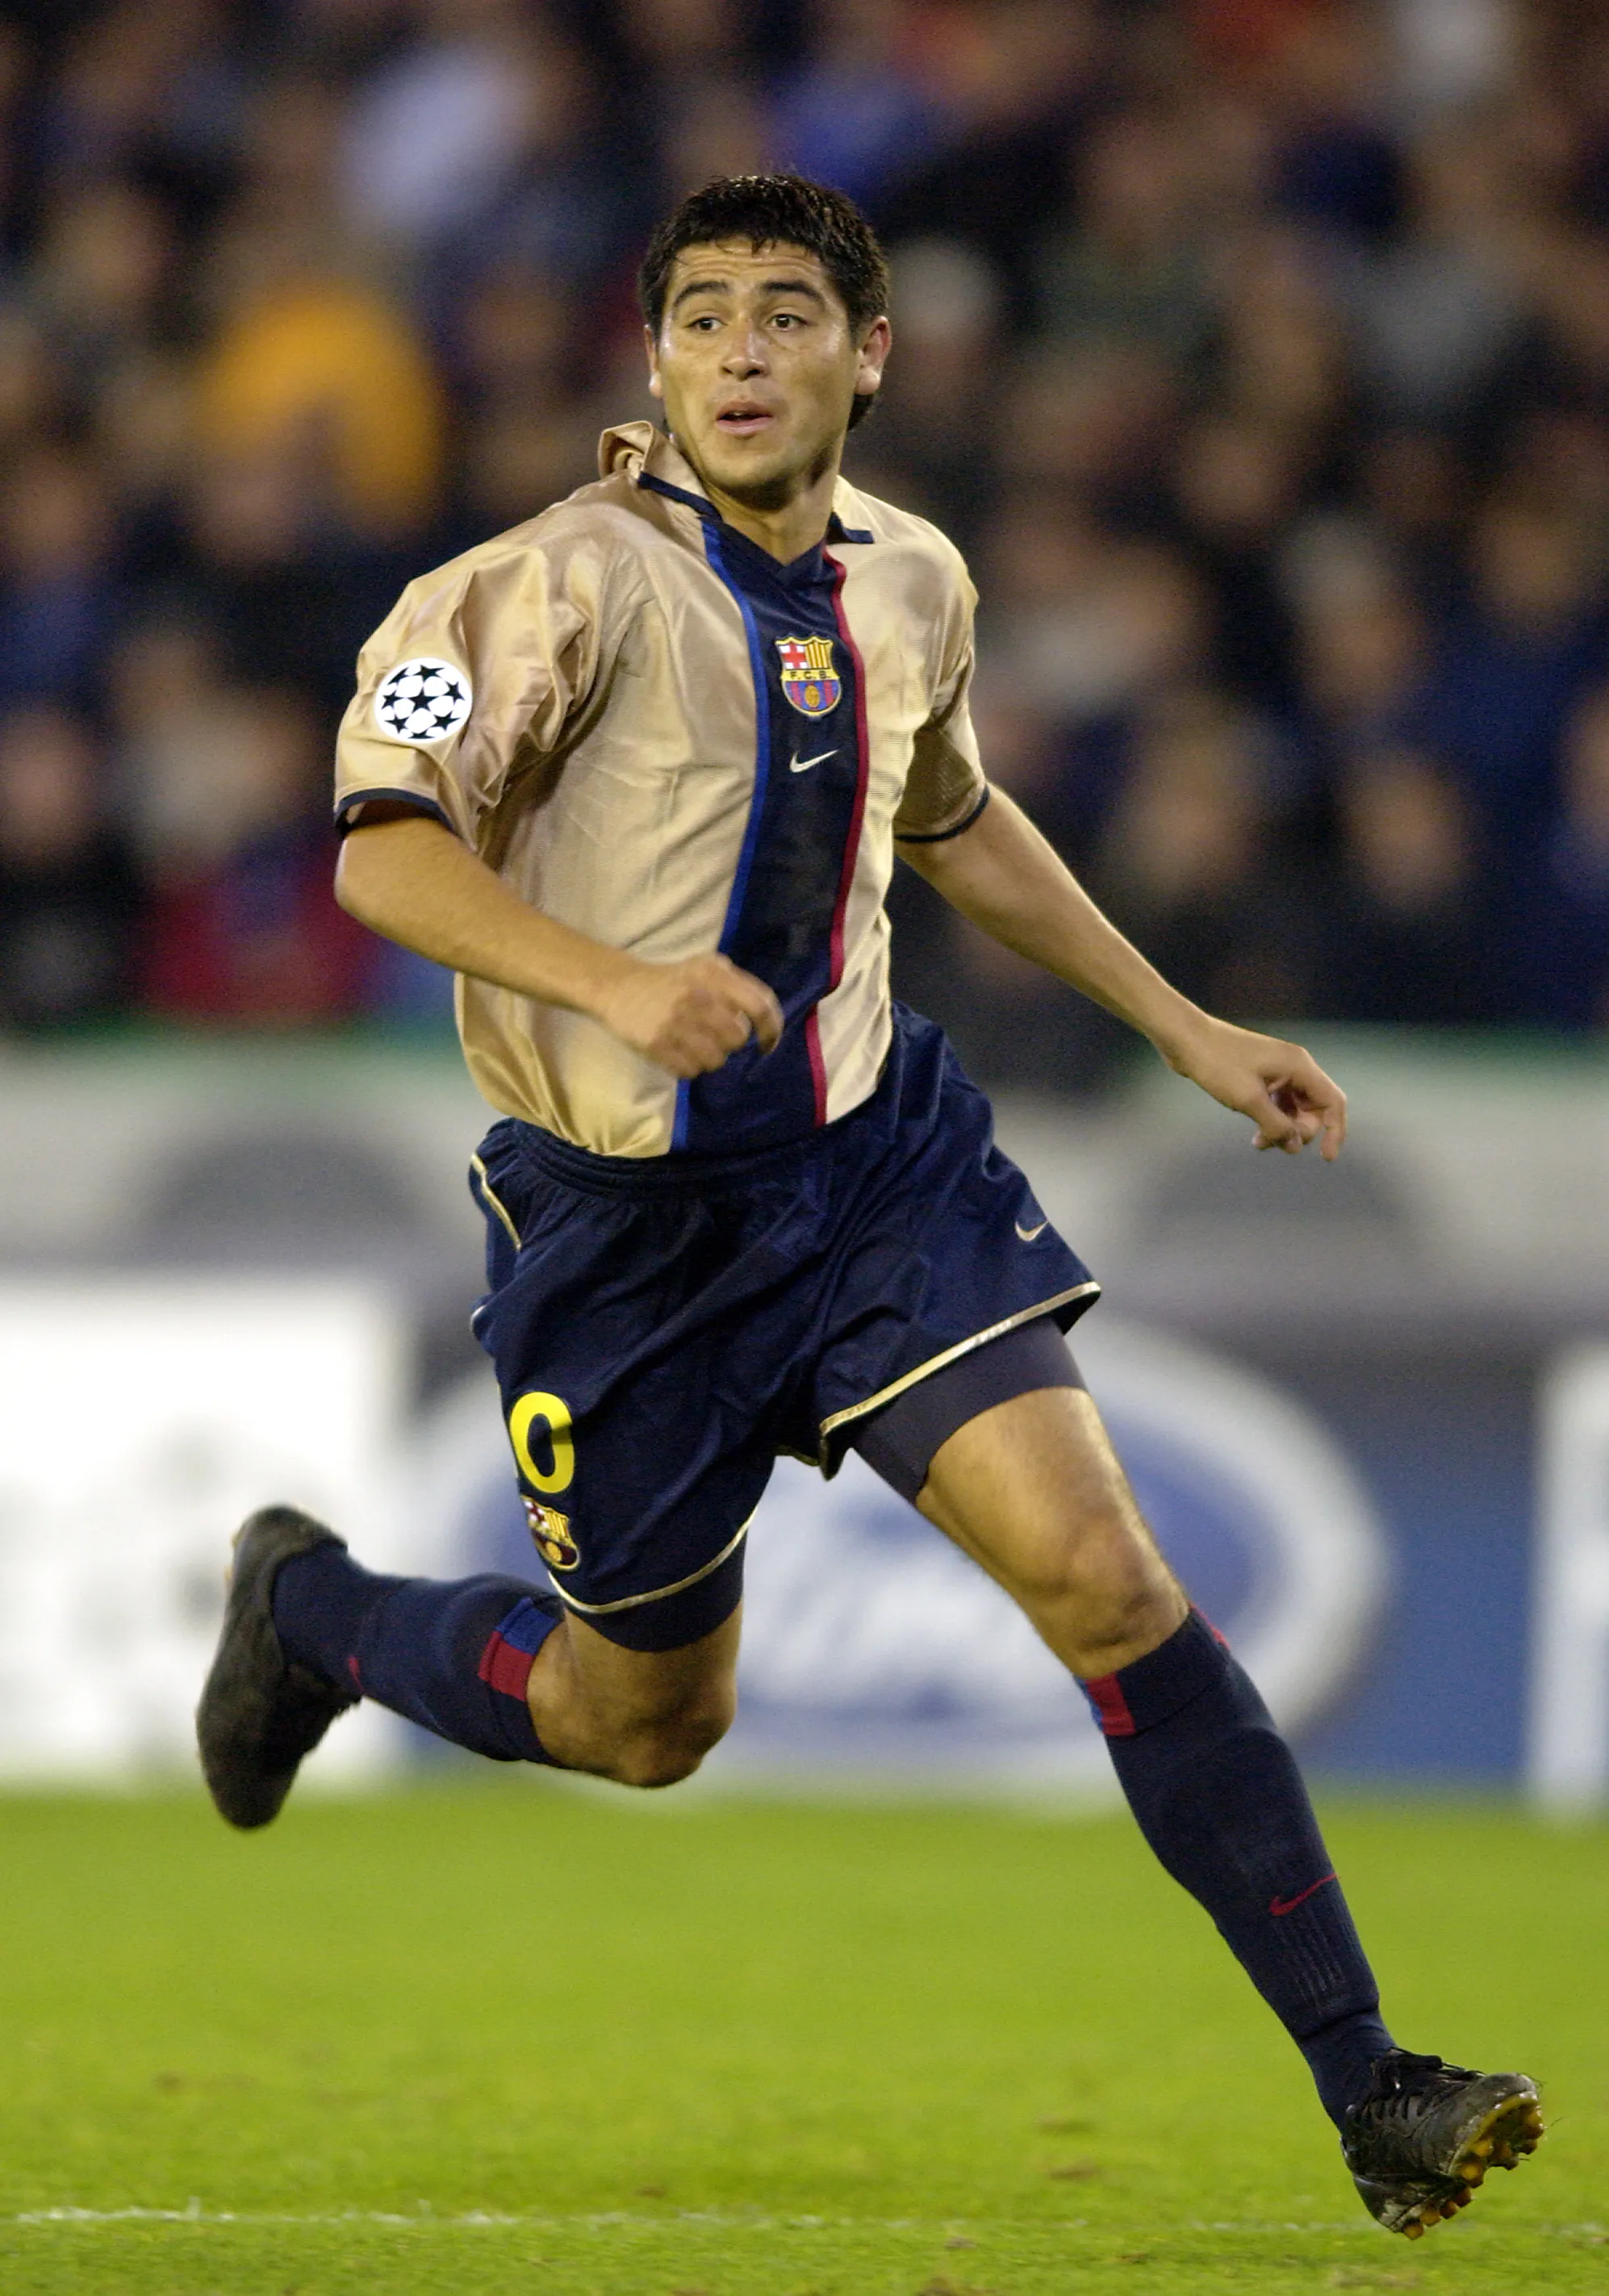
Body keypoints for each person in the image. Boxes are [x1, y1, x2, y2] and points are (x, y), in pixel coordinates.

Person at [197, 174, 1541, 2240]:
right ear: (651, 360)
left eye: (788, 316)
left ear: (870, 357)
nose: (744, 352)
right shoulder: (535, 589)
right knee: (638, 1721)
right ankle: (308, 1611)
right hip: (621, 1232)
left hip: (867, 1167)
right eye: (705, 317)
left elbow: (959, 818)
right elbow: (380, 855)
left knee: (1106, 1577)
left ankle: (1375, 2086)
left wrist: (1183, 1025)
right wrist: (621, 982)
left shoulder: (914, 578)